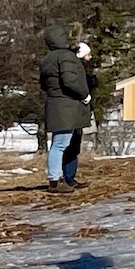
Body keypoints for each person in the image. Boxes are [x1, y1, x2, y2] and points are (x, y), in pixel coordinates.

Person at [38, 23, 91, 192]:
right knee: (60, 144)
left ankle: (68, 179)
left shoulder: (47, 59)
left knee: (69, 144)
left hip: (58, 104)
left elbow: (43, 84)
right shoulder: (66, 57)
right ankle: (55, 180)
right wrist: (84, 95)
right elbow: (70, 81)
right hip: (67, 106)